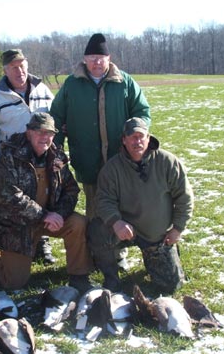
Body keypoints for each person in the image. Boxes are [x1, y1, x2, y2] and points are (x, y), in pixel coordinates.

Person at [0, 112, 94, 293]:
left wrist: (59, 214)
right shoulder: (10, 154)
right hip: (16, 225)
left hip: (47, 218)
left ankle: (79, 275)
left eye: (49, 133)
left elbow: (71, 189)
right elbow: (9, 196)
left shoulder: (57, 156)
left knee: (78, 223)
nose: (45, 137)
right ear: (29, 132)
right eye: (39, 132)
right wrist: (44, 215)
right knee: (13, 282)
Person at [50, 33, 152, 221]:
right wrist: (55, 149)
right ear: (84, 59)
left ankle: (123, 239)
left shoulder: (125, 82)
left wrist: (135, 134)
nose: (96, 62)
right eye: (92, 58)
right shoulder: (72, 84)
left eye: (101, 58)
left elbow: (142, 112)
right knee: (95, 212)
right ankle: (96, 239)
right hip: (87, 160)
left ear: (109, 59)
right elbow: (55, 116)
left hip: (121, 158)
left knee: (125, 208)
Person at [87, 117, 194, 294]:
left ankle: (161, 256)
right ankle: (111, 279)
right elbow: (103, 200)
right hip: (125, 230)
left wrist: (177, 228)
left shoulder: (168, 162)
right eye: (132, 137)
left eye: (141, 136)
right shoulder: (112, 168)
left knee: (171, 286)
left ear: (148, 138)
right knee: (97, 230)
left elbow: (184, 198)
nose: (137, 141)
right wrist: (116, 222)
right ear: (124, 140)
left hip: (157, 235)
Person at [0, 49, 56, 265]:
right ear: (5, 70)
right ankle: (0, 245)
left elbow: (54, 124)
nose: (19, 71)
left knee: (41, 201)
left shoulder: (43, 91)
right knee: (11, 208)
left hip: (40, 161)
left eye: (22, 66)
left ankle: (41, 243)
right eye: (13, 67)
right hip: (11, 165)